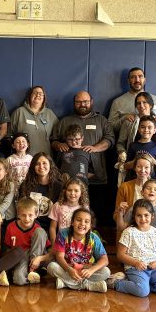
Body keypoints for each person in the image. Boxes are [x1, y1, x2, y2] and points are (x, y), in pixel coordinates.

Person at [52, 92, 114, 221]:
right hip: (69, 180)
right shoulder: (64, 121)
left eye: (85, 101)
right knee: (67, 213)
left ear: (91, 101)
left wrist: (96, 148)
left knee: (94, 213)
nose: (82, 104)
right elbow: (53, 141)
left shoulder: (101, 120)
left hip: (95, 176)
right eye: (79, 102)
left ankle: (93, 237)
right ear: (74, 103)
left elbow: (110, 139)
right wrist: (59, 145)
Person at [109, 199, 156, 298]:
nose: (143, 219)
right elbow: (120, 255)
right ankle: (116, 282)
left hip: (153, 269)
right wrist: (136, 263)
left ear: (152, 216)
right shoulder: (129, 232)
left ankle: (143, 285)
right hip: (135, 268)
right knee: (142, 292)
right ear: (134, 217)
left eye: (146, 215)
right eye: (139, 215)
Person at [47, 208, 110, 292]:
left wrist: (91, 270)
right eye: (78, 220)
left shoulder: (94, 238)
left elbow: (105, 260)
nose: (82, 224)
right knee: (51, 267)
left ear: (90, 226)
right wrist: (69, 270)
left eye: (86, 221)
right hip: (68, 269)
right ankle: (88, 285)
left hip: (86, 270)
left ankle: (66, 283)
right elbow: (59, 257)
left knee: (106, 271)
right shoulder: (63, 233)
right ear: (72, 222)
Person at [107, 67, 156, 140]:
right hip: (129, 146)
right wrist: (123, 119)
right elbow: (109, 127)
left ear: (144, 79)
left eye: (140, 76)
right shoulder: (118, 102)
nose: (137, 80)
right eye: (133, 77)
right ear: (128, 80)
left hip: (155, 147)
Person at [3, 196, 48, 286]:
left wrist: (39, 259)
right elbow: (7, 250)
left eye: (30, 215)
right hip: (21, 257)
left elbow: (51, 253)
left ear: (36, 214)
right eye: (23, 215)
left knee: (40, 232)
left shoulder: (38, 229)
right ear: (18, 215)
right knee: (18, 280)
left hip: (36, 257)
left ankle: (34, 270)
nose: (27, 219)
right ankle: (31, 276)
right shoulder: (11, 227)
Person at [17, 153, 63, 233]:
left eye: (44, 163)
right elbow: (21, 209)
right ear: (33, 167)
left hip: (51, 229)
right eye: (37, 164)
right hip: (29, 227)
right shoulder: (25, 185)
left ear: (50, 165)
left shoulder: (59, 186)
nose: (41, 166)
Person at [116, 92, 156, 162]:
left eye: (144, 102)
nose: (141, 106)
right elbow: (120, 143)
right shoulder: (129, 121)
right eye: (138, 103)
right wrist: (122, 152)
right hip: (133, 165)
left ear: (151, 105)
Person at [10, 85, 58, 157]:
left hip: (44, 159)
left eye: (41, 94)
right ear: (30, 96)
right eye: (35, 93)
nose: (38, 95)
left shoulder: (50, 114)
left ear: (44, 98)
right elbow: (9, 135)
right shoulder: (19, 112)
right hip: (23, 160)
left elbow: (58, 135)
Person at [49, 178, 87, 244]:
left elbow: (87, 227)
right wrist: (54, 245)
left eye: (76, 191)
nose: (72, 193)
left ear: (81, 193)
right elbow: (52, 228)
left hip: (79, 243)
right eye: (69, 190)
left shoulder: (84, 207)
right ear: (65, 191)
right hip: (62, 242)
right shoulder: (58, 205)